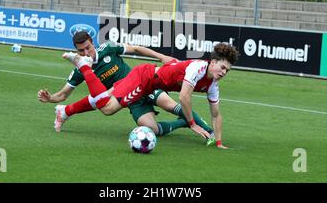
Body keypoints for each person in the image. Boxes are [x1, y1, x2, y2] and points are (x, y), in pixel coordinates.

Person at [38, 31, 215, 143]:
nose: (86, 53)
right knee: (152, 130)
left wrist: (162, 57)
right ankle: (183, 123)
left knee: (170, 105)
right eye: (81, 51)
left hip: (145, 82)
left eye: (88, 48)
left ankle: (209, 132)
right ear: (76, 51)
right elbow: (63, 94)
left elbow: (136, 49)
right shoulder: (79, 71)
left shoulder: (108, 48)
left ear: (93, 43)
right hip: (131, 99)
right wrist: (51, 98)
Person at [62, 42, 239, 149]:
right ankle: (83, 65)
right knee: (107, 109)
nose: (224, 72)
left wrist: (219, 142)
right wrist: (192, 124)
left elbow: (216, 114)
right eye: (222, 67)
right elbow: (184, 96)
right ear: (213, 62)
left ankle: (65, 110)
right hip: (144, 78)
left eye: (227, 70)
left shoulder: (213, 85)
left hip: (153, 85)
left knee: (156, 123)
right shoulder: (198, 68)